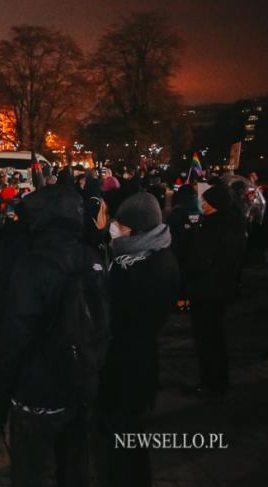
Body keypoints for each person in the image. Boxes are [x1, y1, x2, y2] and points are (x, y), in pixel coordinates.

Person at [0, 185, 106, 487]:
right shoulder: (91, 257)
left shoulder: (33, 264)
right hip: (81, 384)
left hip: (38, 390)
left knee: (31, 471)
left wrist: (0, 394)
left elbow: (16, 335)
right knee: (74, 468)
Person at [97, 193, 179, 487]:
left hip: (127, 361)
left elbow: (120, 313)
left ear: (137, 228)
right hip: (134, 358)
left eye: (121, 222)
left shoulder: (137, 265)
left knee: (123, 433)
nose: (115, 227)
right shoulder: (149, 254)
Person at [182, 184, 247, 401]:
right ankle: (220, 381)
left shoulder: (212, 227)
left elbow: (200, 261)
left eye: (207, 201)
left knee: (206, 340)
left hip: (206, 291)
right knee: (217, 338)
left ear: (216, 204)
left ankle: (210, 383)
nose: (203, 204)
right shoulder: (234, 223)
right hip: (222, 290)